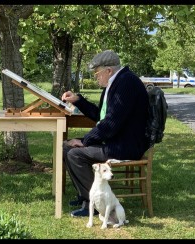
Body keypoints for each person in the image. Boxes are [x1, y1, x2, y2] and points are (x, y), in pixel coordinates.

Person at [61, 50, 150, 217]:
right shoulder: (115, 83)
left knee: (75, 154)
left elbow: (111, 124)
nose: (95, 77)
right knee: (66, 148)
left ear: (108, 71)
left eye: (97, 73)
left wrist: (86, 140)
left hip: (125, 145)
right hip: (115, 140)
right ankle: (85, 197)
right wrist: (78, 101)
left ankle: (95, 205)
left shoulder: (126, 84)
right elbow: (100, 116)